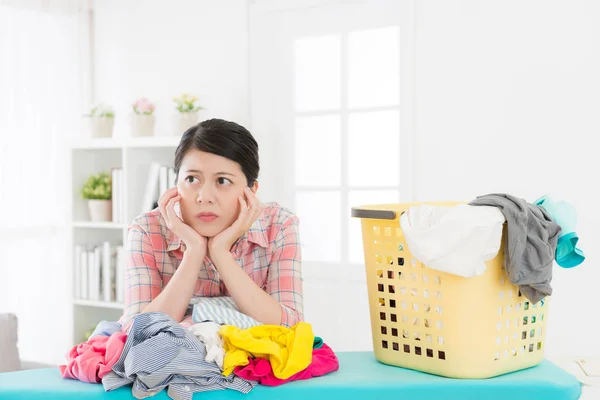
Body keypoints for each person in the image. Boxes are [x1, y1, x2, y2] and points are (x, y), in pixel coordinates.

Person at [118, 119, 303, 331]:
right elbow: (137, 332)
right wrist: (194, 252)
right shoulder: (147, 230)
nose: (204, 197)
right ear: (176, 183)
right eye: (192, 179)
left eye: (223, 181)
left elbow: (292, 327)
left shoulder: (279, 225)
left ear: (252, 191)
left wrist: (220, 253)